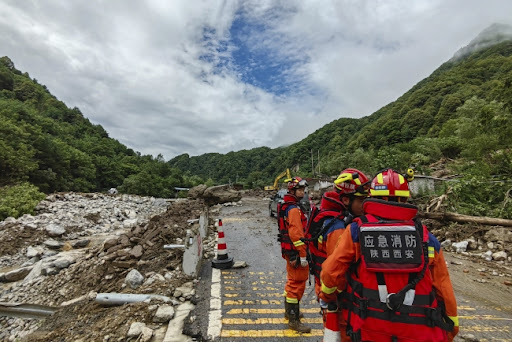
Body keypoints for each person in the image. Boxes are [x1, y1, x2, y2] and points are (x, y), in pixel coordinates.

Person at [319, 168, 459, 342]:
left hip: (366, 330)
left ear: (372, 197)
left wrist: (328, 297)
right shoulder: (426, 238)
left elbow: (330, 274)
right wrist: (451, 327)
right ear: (406, 198)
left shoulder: (356, 231)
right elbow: (444, 290)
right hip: (418, 333)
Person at [313, 169, 369, 342]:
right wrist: (329, 298)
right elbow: (334, 272)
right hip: (337, 300)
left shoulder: (337, 218)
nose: (366, 204)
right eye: (361, 200)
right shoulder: (337, 228)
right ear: (346, 199)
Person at [277, 176, 311, 333]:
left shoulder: (286, 206)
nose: (303, 192)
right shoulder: (293, 209)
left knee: (291, 282)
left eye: (303, 190)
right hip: (296, 254)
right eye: (300, 189)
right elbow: (297, 235)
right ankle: (293, 319)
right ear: (292, 190)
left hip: (289, 252)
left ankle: (289, 311)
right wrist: (303, 255)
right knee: (296, 284)